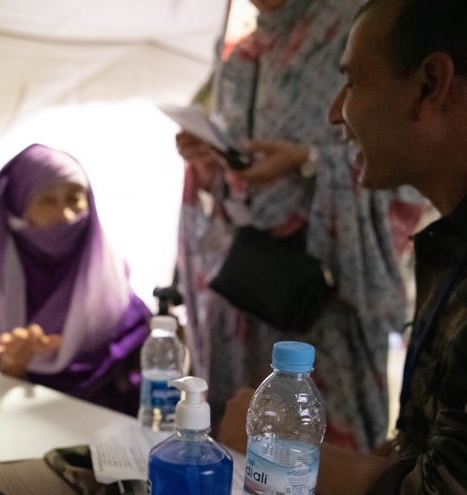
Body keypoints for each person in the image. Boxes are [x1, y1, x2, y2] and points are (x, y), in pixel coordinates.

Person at [226, 0, 467, 495]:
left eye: (353, 82)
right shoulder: (452, 251)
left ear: (431, 85)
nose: (336, 114)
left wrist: (264, 437)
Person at [175, 0, 425, 451]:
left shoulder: (354, 30)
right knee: (241, 438)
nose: (336, 111)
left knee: (313, 449)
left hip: (326, 292)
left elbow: (409, 153)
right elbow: (238, 175)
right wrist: (213, 160)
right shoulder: (242, 57)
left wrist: (308, 162)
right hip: (249, 285)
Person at [0, 143, 153, 416]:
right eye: (47, 200)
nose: (66, 214)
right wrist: (12, 360)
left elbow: (129, 332)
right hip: (3, 401)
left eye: (74, 198)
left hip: (96, 404)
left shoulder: (104, 260)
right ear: (19, 205)